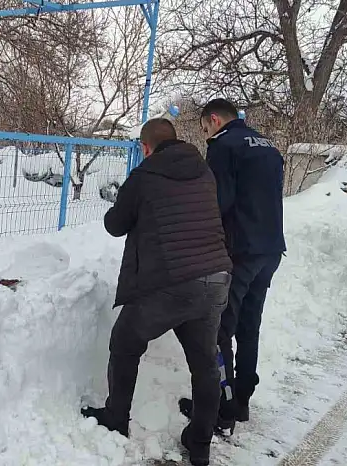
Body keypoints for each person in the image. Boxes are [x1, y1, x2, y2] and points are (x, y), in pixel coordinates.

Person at [81, 118, 232, 466]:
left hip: (171, 282)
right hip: (216, 277)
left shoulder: (144, 176)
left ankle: (116, 418)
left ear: (145, 147)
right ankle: (200, 442)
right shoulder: (204, 171)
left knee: (125, 342)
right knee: (205, 364)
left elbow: (116, 225)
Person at [179, 99, 286, 435]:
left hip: (240, 251)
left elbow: (217, 202)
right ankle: (241, 400)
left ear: (214, 120)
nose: (205, 135)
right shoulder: (268, 146)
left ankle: (220, 408)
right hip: (270, 249)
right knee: (249, 327)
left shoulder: (223, 147)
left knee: (221, 329)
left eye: (204, 128)